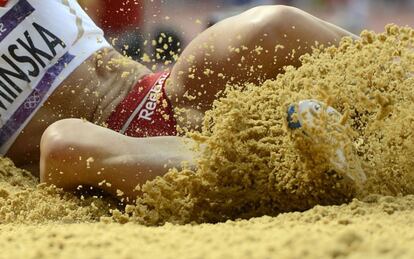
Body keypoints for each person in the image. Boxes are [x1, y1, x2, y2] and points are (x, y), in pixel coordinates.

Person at [0, 1, 356, 201]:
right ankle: (292, 167)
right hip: (99, 170)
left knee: (271, 23)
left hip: (166, 94)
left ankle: (399, 88)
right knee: (64, 143)